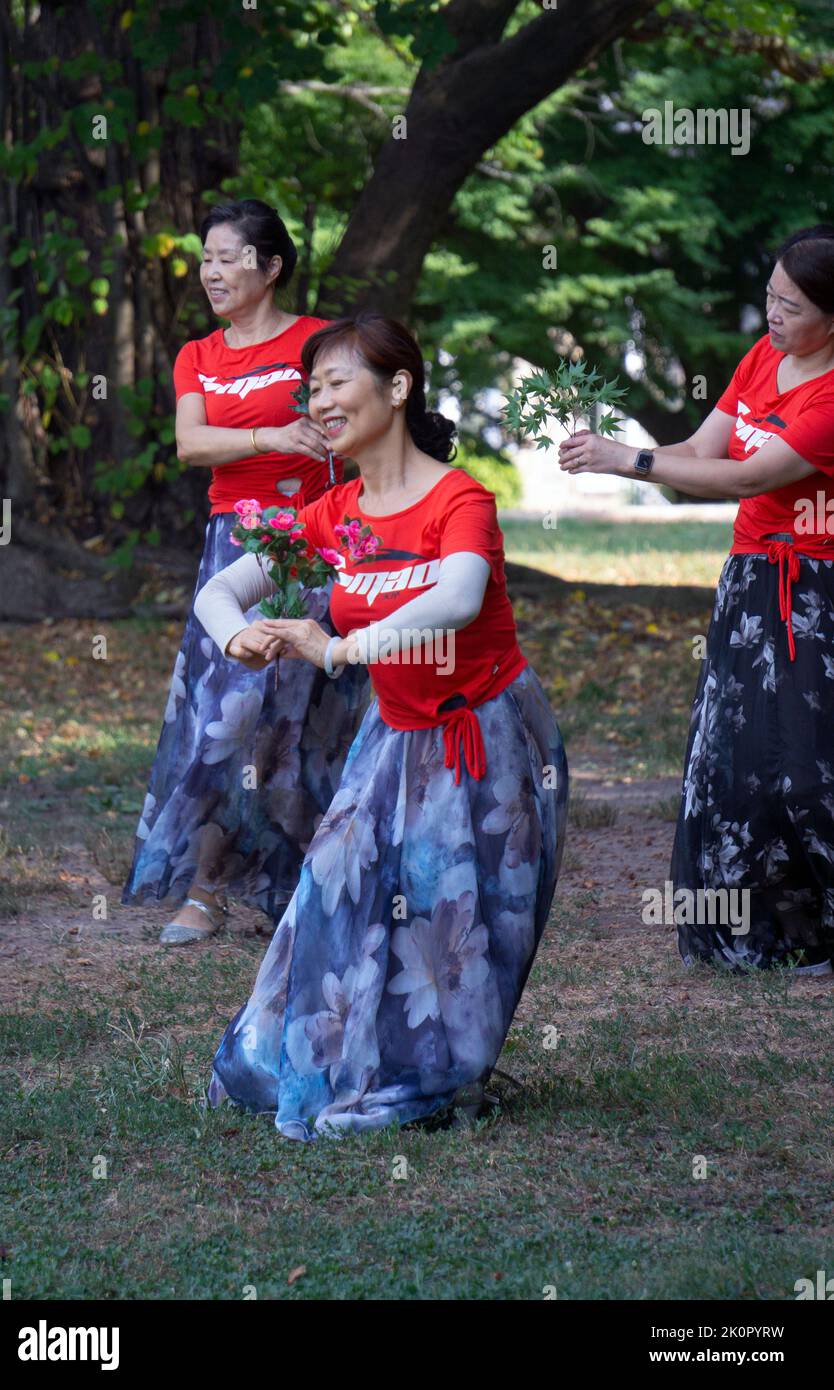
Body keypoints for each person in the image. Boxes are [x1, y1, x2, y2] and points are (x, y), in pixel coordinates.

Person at [193, 313, 568, 1139]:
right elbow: (219, 590)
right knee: (333, 886)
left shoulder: (459, 499)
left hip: (486, 737)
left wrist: (343, 646)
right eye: (312, 387)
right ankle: (291, 1054)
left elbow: (458, 598)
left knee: (450, 923)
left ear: (398, 388)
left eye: (337, 383)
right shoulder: (334, 515)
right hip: (394, 735)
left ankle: (429, 1073)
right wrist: (237, 634)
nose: (320, 401)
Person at [558, 225, 834, 975]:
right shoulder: (761, 358)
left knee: (810, 771)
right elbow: (701, 457)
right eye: (770, 295)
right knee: (737, 763)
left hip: (817, 593)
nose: (773, 314)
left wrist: (628, 457)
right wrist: (614, 455)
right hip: (751, 586)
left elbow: (750, 478)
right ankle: (754, 933)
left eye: (793, 304)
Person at [121, 200, 368, 944]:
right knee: (222, 720)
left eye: (229, 257)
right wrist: (269, 433)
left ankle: (293, 892)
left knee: (299, 723)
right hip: (236, 546)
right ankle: (203, 889)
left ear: (271, 267)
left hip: (317, 540)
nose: (213, 272)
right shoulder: (198, 355)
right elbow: (191, 444)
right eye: (206, 259)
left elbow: (354, 423)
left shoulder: (317, 342)